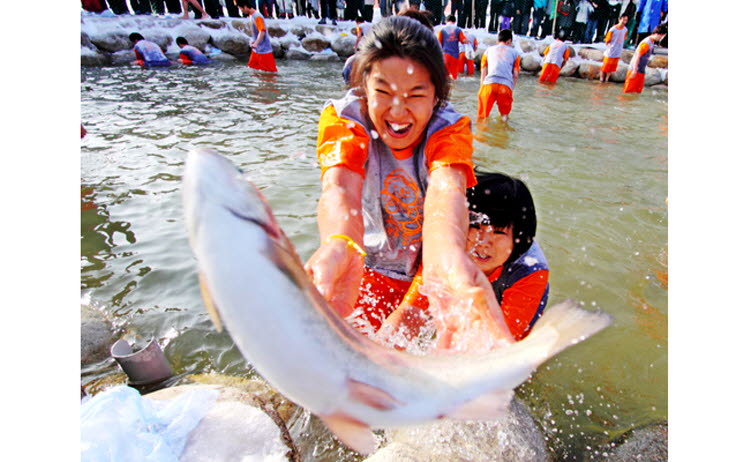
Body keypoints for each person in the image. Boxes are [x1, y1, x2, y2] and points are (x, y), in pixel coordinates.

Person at [305, 15, 509, 342]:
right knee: (345, 348)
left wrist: (447, 256)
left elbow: (447, 193)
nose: (398, 112)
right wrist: (338, 243)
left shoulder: (449, 128)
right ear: (364, 88)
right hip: (363, 258)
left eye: (415, 94)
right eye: (383, 91)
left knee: (395, 344)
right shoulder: (345, 118)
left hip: (429, 265)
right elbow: (339, 187)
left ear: (436, 97)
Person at [379, 171, 550, 344]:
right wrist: (382, 348)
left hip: (509, 288)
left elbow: (503, 344)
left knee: (512, 348)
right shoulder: (444, 248)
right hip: (461, 273)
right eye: (476, 227)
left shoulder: (530, 271)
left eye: (498, 232)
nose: (483, 242)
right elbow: (412, 312)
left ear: (518, 237)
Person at [476, 29, 520, 122]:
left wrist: (482, 87)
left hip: (489, 85)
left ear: (498, 41)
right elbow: (515, 74)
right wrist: (511, 88)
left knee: (482, 118)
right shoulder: (515, 53)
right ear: (509, 41)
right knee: (504, 118)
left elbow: (484, 70)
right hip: (505, 86)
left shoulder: (488, 51)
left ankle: (480, 135)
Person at [623, 23, 666, 93]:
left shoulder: (651, 42)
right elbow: (637, 56)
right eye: (660, 37)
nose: (660, 39)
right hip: (635, 70)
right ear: (657, 34)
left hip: (641, 70)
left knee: (637, 92)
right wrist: (634, 70)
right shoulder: (646, 43)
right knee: (629, 91)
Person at [236, 0, 278, 72]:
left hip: (264, 51)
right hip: (257, 50)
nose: (241, 11)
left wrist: (256, 43)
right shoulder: (252, 16)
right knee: (252, 69)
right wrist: (254, 41)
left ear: (245, 7)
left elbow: (262, 31)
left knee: (271, 74)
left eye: (241, 9)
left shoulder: (257, 17)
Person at [437, 15, 468, 80]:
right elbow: (463, 41)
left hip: (444, 55)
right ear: (455, 22)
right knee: (454, 77)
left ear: (446, 21)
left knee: (444, 77)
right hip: (455, 56)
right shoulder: (458, 30)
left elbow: (438, 42)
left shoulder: (442, 30)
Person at [600, 14, 628, 82]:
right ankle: (601, 78)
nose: (624, 21)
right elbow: (607, 39)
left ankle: (607, 79)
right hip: (611, 49)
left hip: (618, 50)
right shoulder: (613, 29)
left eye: (626, 20)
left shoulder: (625, 29)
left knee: (612, 67)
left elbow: (624, 38)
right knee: (605, 65)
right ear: (619, 19)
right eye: (623, 20)